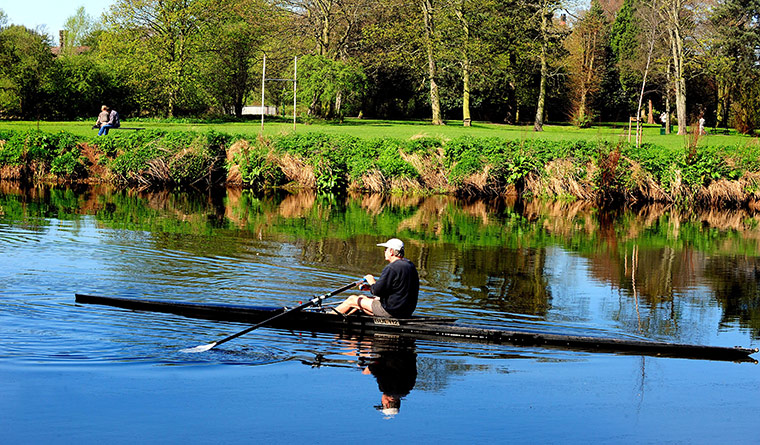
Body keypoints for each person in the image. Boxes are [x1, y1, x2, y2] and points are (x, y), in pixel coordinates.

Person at [333, 238, 419, 318]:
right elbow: (396, 289)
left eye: (386, 249)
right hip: (406, 311)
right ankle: (345, 317)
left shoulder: (392, 268)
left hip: (392, 311)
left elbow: (377, 291)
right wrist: (370, 288)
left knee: (352, 299)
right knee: (362, 297)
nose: (384, 251)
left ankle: (329, 317)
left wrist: (371, 281)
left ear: (391, 251)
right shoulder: (410, 265)